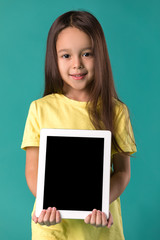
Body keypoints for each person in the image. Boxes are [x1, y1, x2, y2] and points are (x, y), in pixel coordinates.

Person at [21, 10, 137, 240]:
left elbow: (122, 172)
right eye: (66, 56)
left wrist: (101, 204)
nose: (77, 64)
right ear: (53, 58)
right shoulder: (40, 109)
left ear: (100, 55)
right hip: (52, 228)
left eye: (86, 54)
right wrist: (47, 204)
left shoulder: (116, 111)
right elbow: (33, 170)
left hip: (100, 230)